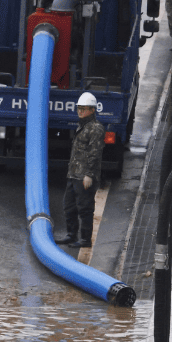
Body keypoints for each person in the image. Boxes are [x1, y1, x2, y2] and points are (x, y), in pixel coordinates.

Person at [54, 92, 105, 249]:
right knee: (68, 206)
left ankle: (85, 239)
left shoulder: (95, 129)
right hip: (74, 174)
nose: (80, 112)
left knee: (85, 208)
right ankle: (71, 235)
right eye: (79, 109)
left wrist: (89, 174)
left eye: (84, 109)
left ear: (92, 110)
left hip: (84, 176)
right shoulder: (82, 127)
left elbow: (94, 153)